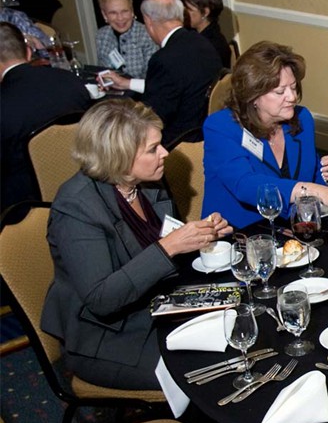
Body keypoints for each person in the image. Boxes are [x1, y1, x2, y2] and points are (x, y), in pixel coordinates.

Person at [41, 99, 231, 390]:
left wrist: (201, 236)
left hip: (158, 305)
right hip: (109, 336)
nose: (165, 153)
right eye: (153, 149)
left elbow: (164, 244)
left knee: (241, 328)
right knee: (207, 371)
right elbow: (102, 299)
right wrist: (169, 246)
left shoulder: (146, 182)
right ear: (119, 156)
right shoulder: (77, 208)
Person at [202, 41, 328, 228]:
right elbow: (245, 185)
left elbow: (310, 179)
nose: (292, 97)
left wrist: (327, 174)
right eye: (280, 91)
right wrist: (311, 189)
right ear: (253, 96)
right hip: (238, 236)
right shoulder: (220, 127)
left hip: (292, 230)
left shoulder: (302, 119)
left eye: (293, 88)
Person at [102, 0, 221, 146]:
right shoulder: (201, 42)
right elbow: (174, 85)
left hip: (178, 140)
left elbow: (152, 116)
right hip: (205, 130)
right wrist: (127, 83)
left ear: (149, 21)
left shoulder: (164, 59)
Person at [0, 22, 91, 213]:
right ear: (28, 52)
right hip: (86, 187)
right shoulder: (70, 81)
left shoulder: (4, 103)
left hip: (27, 207)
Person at [94, 0, 158, 79]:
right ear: (104, 15)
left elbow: (152, 77)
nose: (120, 18)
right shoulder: (102, 36)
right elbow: (104, 71)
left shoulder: (147, 35)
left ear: (132, 11)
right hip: (113, 91)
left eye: (124, 11)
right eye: (113, 13)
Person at [180, 0, 230, 69]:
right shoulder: (191, 34)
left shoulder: (211, 45)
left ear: (205, 12)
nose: (184, 13)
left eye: (189, 9)